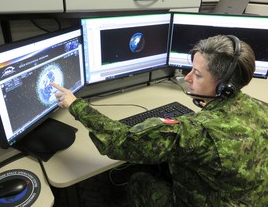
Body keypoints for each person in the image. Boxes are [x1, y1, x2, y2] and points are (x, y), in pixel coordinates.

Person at [50, 35, 268, 206]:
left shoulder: (197, 132)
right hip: (251, 197)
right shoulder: (259, 107)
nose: (188, 78)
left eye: (198, 75)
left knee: (138, 178)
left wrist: (74, 104)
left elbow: (118, 142)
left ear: (224, 87)